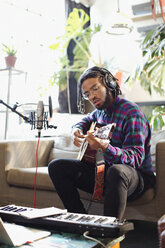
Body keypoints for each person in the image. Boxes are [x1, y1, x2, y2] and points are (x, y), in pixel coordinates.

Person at [48, 66, 156, 220]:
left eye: (95, 89)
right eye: (87, 94)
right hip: (105, 174)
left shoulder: (132, 112)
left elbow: (135, 159)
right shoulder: (99, 112)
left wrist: (105, 147)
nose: (92, 96)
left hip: (136, 179)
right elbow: (84, 121)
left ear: (109, 84)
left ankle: (107, 231)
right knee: (56, 166)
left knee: (116, 171)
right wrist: (76, 130)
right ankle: (81, 220)